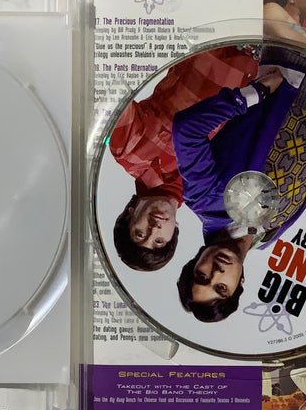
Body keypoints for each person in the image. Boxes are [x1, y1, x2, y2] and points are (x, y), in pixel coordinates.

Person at [173, 46, 306, 320]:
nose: (216, 272)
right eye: (221, 287)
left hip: (297, 59)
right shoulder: (269, 236)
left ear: (195, 262)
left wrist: (255, 93)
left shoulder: (204, 199)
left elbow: (186, 130)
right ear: (239, 285)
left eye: (202, 276)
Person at [109, 46, 258, 271]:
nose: (154, 229)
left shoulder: (129, 152)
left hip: (225, 42)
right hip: (273, 63)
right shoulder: (209, 196)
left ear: (130, 215)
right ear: (175, 230)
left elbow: (106, 79)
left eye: (140, 234)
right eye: (159, 240)